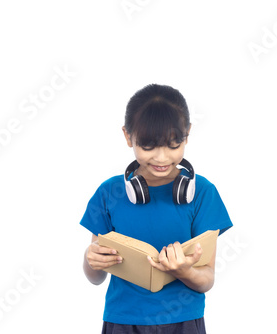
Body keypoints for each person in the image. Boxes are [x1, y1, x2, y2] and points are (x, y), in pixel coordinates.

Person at [80, 84, 233, 334]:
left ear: (188, 134)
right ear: (128, 136)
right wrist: (91, 260)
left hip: (184, 321)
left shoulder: (203, 193)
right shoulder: (109, 193)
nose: (161, 158)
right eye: (148, 146)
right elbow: (95, 277)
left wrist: (184, 271)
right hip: (123, 320)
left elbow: (207, 279)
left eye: (173, 145)